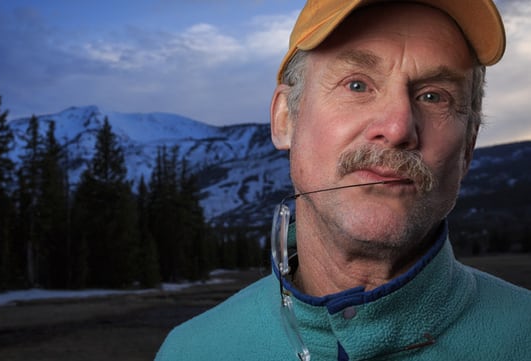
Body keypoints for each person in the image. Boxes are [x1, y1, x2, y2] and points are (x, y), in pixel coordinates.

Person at [155, 1, 531, 360]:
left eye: (434, 96)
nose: (398, 127)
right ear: (286, 119)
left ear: (468, 147)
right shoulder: (191, 351)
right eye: (357, 85)